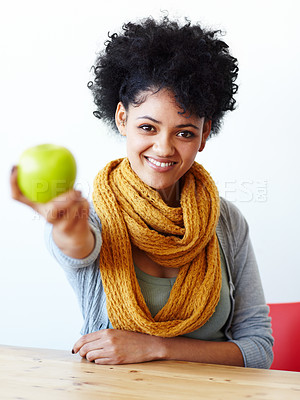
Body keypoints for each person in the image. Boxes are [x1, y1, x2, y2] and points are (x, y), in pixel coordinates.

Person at [11, 16, 273, 368]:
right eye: (148, 127)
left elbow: (259, 349)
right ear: (122, 118)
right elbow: (79, 247)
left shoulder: (226, 222)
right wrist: (66, 229)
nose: (164, 149)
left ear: (205, 133)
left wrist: (157, 346)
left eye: (184, 133)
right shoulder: (89, 218)